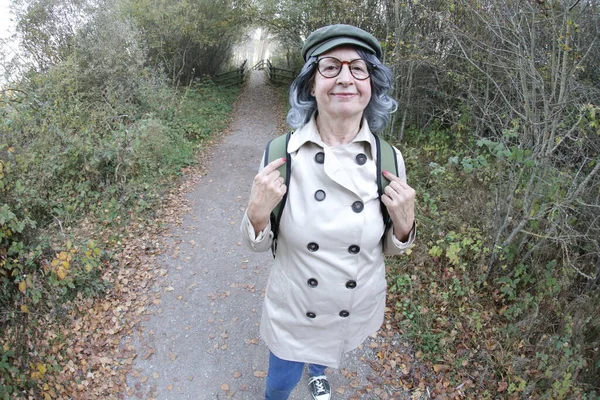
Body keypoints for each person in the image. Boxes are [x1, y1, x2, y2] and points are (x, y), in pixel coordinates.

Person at [240, 24, 416, 400]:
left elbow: (387, 246)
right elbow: (257, 243)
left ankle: (318, 370)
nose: (345, 79)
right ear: (310, 84)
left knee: (328, 350)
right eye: (331, 67)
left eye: (358, 68)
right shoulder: (280, 154)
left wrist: (404, 228)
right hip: (296, 308)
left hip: (351, 305)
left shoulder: (389, 158)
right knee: (279, 386)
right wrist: (256, 214)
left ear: (372, 85)